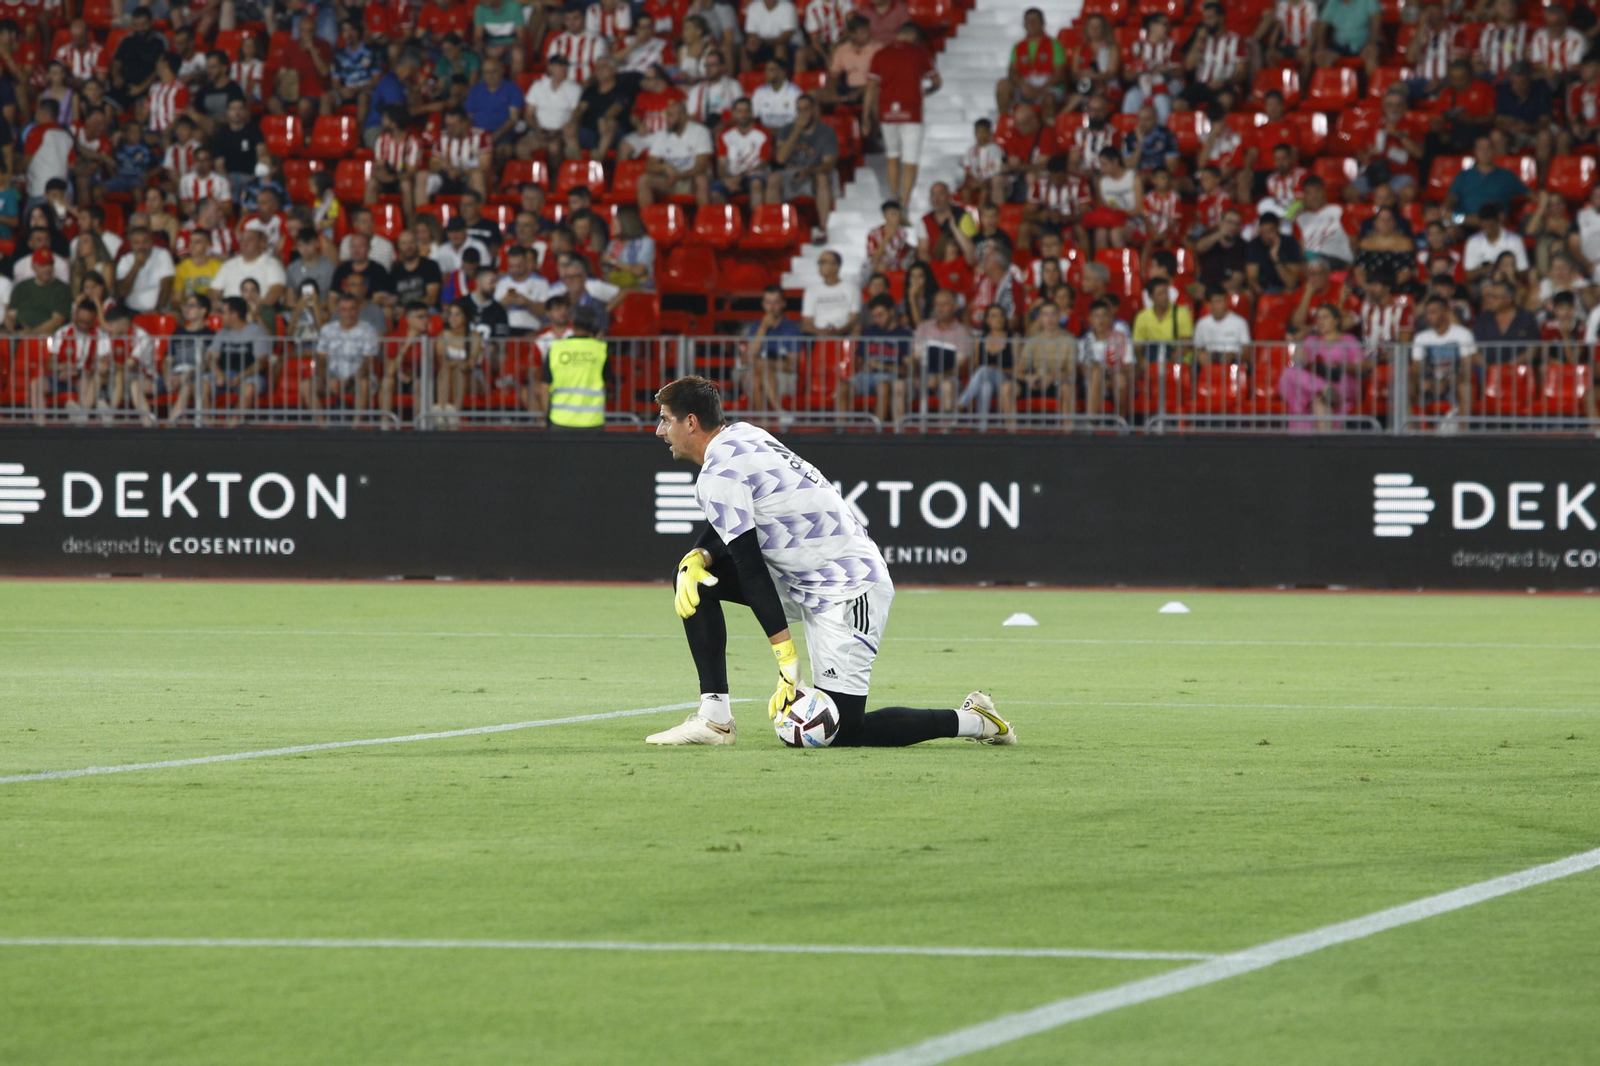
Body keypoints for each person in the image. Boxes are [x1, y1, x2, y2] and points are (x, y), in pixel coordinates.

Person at [645, 375, 1012, 746]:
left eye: (665, 419)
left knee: (844, 730)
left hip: (849, 588)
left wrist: (787, 661)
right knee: (693, 578)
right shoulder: (744, 435)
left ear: (690, 422)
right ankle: (715, 720)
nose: (660, 430)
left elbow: (751, 569)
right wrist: (700, 554)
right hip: (805, 579)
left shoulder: (718, 472)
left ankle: (975, 720)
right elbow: (735, 513)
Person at [864, 21, 937, 208]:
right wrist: (925, 92)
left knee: (892, 156)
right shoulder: (919, 52)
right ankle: (904, 203)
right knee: (910, 160)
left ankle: (894, 197)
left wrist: (865, 117)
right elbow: (937, 81)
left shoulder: (880, 54)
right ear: (913, 36)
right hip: (911, 112)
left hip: (887, 112)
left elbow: (870, 88)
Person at [1279, 303, 1365, 432]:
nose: (1320, 321)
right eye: (1318, 318)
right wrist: (1299, 343)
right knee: (1290, 373)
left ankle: (1324, 389)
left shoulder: (1348, 340)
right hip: (1315, 386)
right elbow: (1298, 364)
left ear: (1336, 321)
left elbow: (1362, 365)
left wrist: (1341, 366)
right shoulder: (1311, 340)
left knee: (1316, 400)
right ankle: (1323, 388)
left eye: (1325, 317)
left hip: (1339, 382)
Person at [767, 93, 836, 241]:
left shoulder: (826, 132)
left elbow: (828, 164)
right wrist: (796, 131)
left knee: (822, 178)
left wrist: (808, 171)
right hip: (790, 173)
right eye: (799, 110)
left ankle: (822, 229)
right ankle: (776, 227)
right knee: (773, 178)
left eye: (806, 109)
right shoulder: (786, 130)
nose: (802, 113)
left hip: (814, 173)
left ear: (814, 110)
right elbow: (780, 158)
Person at [837, 293, 910, 426]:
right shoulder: (868, 332)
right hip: (866, 376)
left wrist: (882, 366)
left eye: (880, 315)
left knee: (883, 387)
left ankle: (877, 430)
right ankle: (840, 430)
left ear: (891, 311)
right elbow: (859, 360)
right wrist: (863, 365)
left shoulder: (904, 335)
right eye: (874, 316)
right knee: (843, 387)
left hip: (890, 376)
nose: (876, 320)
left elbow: (906, 370)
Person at [310, 291, 381, 420]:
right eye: (344, 310)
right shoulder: (327, 329)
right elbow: (320, 359)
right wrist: (329, 379)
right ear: (338, 311)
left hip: (358, 378)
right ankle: (322, 427)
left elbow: (368, 363)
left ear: (359, 310)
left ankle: (356, 427)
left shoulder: (368, 330)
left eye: (352, 309)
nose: (348, 314)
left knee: (363, 383)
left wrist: (348, 381)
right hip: (331, 378)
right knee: (306, 385)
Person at [537, 303, 609, 429]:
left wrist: (547, 414)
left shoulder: (556, 348)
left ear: (572, 323)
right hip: (592, 421)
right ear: (593, 325)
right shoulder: (600, 349)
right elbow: (608, 382)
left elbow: (544, 387)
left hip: (559, 420)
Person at [207, 295, 273, 427]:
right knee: (202, 384)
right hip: (224, 374)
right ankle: (207, 427)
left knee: (248, 388)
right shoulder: (221, 333)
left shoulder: (257, 331)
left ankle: (231, 428)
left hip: (249, 376)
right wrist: (218, 373)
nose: (220, 316)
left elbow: (261, 362)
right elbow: (210, 357)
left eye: (223, 313)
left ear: (234, 315)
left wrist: (241, 376)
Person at [1411, 295, 1476, 424]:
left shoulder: (1463, 334)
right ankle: (1410, 431)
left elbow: (1467, 367)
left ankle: (1462, 432)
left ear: (1446, 313)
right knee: (1404, 386)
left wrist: (1447, 382)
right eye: (1427, 313)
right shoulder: (1420, 337)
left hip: (1454, 383)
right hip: (1430, 383)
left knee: (1465, 387)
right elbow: (1416, 368)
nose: (1428, 316)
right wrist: (1422, 381)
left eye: (1433, 312)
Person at [742, 284, 802, 414]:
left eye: (776, 303)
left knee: (757, 377)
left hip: (784, 377)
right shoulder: (756, 327)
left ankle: (764, 425)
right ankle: (779, 412)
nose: (771, 307)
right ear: (763, 304)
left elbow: (792, 365)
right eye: (768, 303)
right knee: (756, 379)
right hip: (756, 374)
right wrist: (763, 327)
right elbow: (749, 357)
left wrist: (764, 364)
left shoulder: (792, 329)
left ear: (783, 304)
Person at [164, 293, 214, 426]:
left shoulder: (210, 336)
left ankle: (169, 427)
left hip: (196, 376)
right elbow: (167, 360)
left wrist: (185, 376)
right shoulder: (177, 333)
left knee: (188, 386)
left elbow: (207, 363)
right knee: (136, 384)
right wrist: (167, 377)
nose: (186, 309)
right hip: (174, 376)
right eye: (186, 305)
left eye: (191, 305)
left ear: (203, 311)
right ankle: (147, 426)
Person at [433, 298, 481, 426]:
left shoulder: (474, 336)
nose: (452, 318)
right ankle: (441, 410)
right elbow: (441, 361)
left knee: (459, 370)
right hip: (449, 373)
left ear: (466, 317)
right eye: (450, 314)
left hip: (471, 376)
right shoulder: (443, 335)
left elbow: (471, 364)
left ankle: (455, 413)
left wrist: (456, 364)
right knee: (446, 370)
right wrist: (457, 363)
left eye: (457, 314)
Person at [113, 226, 175, 314]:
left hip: (159, 310)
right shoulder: (125, 260)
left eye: (145, 242)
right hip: (131, 311)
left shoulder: (162, 254)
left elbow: (167, 286)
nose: (141, 246)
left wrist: (157, 309)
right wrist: (136, 266)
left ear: (152, 242)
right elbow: (122, 292)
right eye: (137, 243)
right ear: (130, 244)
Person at [1193, 289, 1251, 365]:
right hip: (1210, 363)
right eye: (1218, 301)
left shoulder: (1240, 322)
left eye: (1224, 300)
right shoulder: (1201, 324)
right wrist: (1202, 355)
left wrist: (1233, 355)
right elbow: (1197, 349)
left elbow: (1248, 353)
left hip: (1234, 364)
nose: (1223, 304)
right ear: (1209, 305)